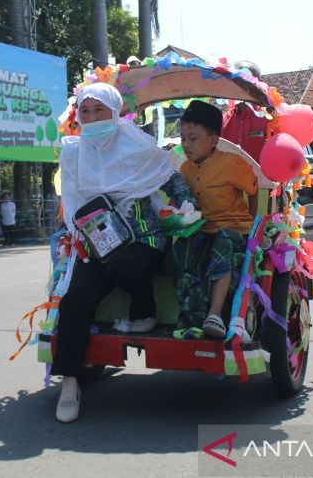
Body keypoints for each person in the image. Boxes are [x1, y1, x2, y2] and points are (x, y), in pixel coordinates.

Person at [52, 82, 194, 423]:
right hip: (96, 240)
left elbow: (169, 176)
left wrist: (187, 201)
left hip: (143, 238)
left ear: (115, 112)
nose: (92, 117)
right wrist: (79, 236)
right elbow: (70, 202)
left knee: (125, 266)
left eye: (99, 110)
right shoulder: (73, 152)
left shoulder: (137, 145)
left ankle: (145, 314)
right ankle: (70, 382)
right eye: (85, 111)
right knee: (76, 296)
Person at [172, 100, 258, 340]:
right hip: (201, 230)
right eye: (183, 139)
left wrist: (252, 226)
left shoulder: (232, 164)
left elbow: (254, 191)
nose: (186, 145)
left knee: (222, 240)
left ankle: (215, 314)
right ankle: (191, 314)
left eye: (193, 139)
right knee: (181, 250)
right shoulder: (185, 169)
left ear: (213, 141)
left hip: (233, 230)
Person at [221, 61, 269, 162]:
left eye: (249, 80)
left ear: (259, 83)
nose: (243, 85)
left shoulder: (269, 118)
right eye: (238, 80)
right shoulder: (222, 121)